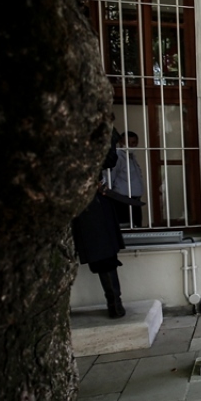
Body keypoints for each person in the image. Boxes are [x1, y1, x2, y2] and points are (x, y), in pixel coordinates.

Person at [71, 129, 127, 319]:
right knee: (102, 255)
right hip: (83, 204)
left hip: (92, 202)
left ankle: (115, 303)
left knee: (104, 256)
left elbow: (108, 160)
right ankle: (115, 303)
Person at [104, 131, 144, 227]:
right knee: (125, 229)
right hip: (122, 202)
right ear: (121, 142)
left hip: (134, 202)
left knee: (136, 228)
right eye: (127, 143)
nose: (131, 146)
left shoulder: (131, 157)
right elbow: (109, 179)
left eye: (134, 143)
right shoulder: (118, 157)